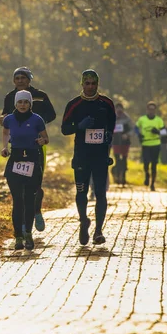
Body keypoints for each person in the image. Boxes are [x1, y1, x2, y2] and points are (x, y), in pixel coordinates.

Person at [61, 69, 116, 245]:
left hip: (100, 155)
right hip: (82, 156)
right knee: (81, 192)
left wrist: (108, 136)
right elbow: (64, 129)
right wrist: (79, 126)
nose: (90, 87)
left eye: (93, 83)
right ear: (82, 84)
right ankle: (83, 221)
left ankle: (98, 231)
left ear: (97, 84)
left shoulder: (107, 103)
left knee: (100, 192)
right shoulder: (74, 104)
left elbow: (112, 126)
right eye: (87, 83)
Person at [0, 67, 56, 232]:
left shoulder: (41, 95)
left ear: (29, 79)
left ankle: (36, 211)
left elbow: (51, 114)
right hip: (17, 144)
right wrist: (3, 119)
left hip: (36, 143)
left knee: (35, 182)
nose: (20, 81)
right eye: (17, 78)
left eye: (23, 78)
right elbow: (4, 118)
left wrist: (36, 123)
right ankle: (23, 223)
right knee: (18, 184)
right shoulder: (10, 97)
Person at [1, 90, 49, 251]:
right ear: (16, 104)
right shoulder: (9, 119)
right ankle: (18, 237)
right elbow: (5, 133)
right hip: (15, 160)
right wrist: (4, 147)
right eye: (20, 102)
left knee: (29, 200)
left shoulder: (37, 119)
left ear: (30, 104)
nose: (22, 105)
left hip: (32, 160)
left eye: (26, 102)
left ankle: (28, 233)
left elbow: (46, 138)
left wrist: (42, 140)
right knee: (17, 200)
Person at [136, 101, 166, 191]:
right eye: (150, 109)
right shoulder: (142, 119)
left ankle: (152, 184)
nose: (151, 111)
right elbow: (135, 128)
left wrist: (158, 132)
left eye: (153, 109)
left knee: (154, 165)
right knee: (146, 163)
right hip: (145, 144)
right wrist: (139, 135)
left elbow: (165, 132)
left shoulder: (159, 120)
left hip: (156, 144)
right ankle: (146, 175)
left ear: (155, 110)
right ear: (147, 110)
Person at [111, 102, 134, 185]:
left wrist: (127, 135)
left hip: (125, 142)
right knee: (117, 159)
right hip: (116, 142)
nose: (119, 110)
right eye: (117, 109)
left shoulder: (127, 119)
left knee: (124, 159)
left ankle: (123, 177)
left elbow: (132, 129)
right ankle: (117, 174)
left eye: (120, 109)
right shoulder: (112, 117)